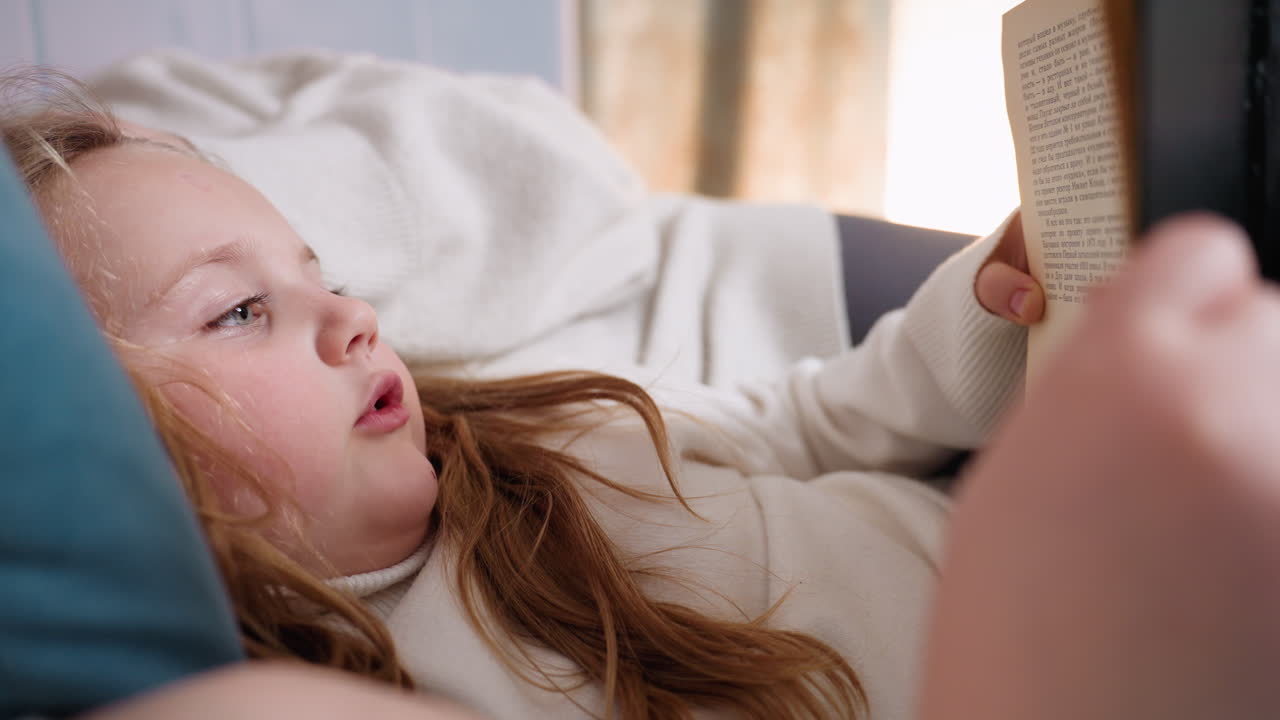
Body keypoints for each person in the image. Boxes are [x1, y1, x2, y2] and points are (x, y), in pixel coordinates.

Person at [10, 70, 1280, 720]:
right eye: (240, 312)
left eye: (321, 275)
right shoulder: (360, 689)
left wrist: (986, 308)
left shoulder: (535, 436)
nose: (353, 319)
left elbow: (817, 420)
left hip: (1124, 541)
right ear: (100, 450)